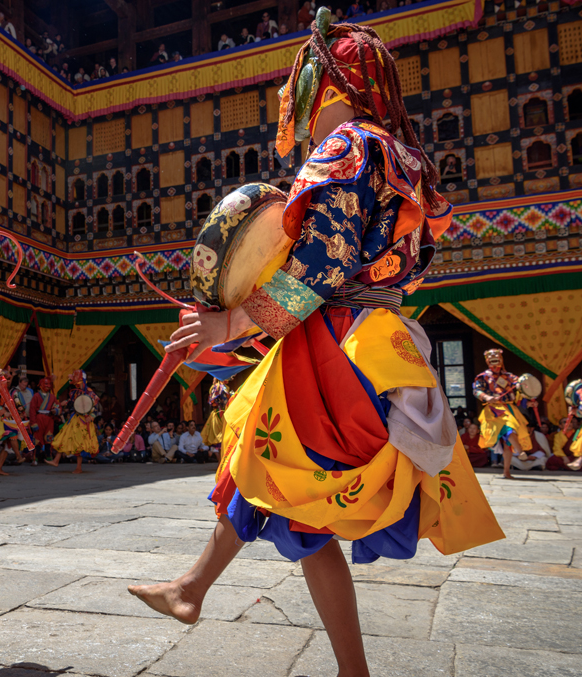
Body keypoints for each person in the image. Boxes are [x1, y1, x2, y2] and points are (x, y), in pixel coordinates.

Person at [128, 15, 503, 676]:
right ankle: (219, 602)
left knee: (261, 462)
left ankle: (192, 589)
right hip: (381, 340)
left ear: (323, 85)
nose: (293, 109)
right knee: (292, 505)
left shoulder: (347, 149)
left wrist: (229, 323)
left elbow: (320, 263)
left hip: (334, 344)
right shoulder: (399, 158)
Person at [473, 348, 535, 479]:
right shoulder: (483, 377)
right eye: (492, 360)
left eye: (497, 360)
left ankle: (506, 471)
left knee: (508, 443)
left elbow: (520, 392)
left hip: (510, 409)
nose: (495, 364)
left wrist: (529, 401)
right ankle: (521, 451)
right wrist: (487, 397)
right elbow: (476, 391)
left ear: (501, 360)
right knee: (509, 428)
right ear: (487, 361)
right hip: (494, 410)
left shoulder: (511, 377)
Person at [47, 370, 98, 473]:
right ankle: (56, 460)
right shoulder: (75, 391)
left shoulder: (89, 392)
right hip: (75, 419)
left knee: (79, 443)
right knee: (64, 437)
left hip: (84, 421)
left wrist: (92, 416)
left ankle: (78, 467)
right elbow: (73, 403)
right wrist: (65, 403)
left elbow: (95, 407)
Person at [29, 376, 58, 450]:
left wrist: (56, 410)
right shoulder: (36, 396)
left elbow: (58, 406)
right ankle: (35, 458)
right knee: (37, 438)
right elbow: (32, 410)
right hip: (39, 419)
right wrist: (33, 423)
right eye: (46, 384)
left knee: (49, 437)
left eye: (49, 384)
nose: (48, 386)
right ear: (41, 384)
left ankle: (48, 456)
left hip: (49, 419)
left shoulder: (52, 397)